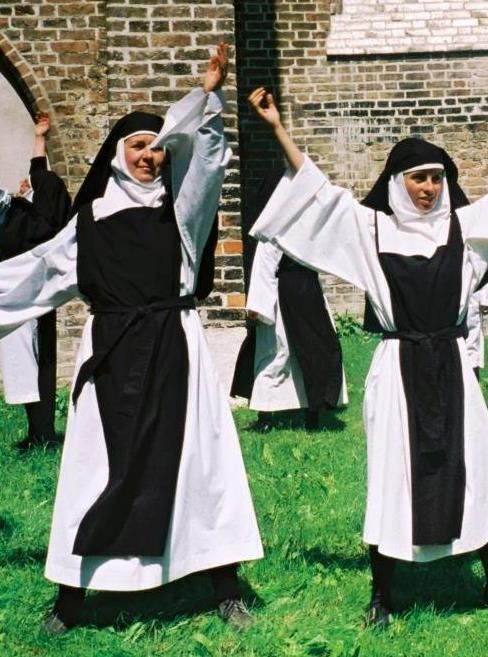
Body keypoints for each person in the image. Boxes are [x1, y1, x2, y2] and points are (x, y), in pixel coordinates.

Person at [246, 83, 488, 627]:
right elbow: (318, 192)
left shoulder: (464, 227)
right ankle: (382, 594)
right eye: (418, 178)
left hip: (452, 365)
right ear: (397, 182)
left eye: (437, 178)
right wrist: (277, 127)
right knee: (394, 475)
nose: (429, 188)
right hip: (397, 369)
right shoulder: (373, 230)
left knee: (475, 468)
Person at [0, 44, 263, 633]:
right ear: (118, 154)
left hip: (175, 347)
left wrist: (208, 99)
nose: (149, 157)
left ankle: (223, 586)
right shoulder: (89, 222)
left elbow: (209, 166)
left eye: (158, 147)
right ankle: (71, 599)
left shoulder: (182, 213)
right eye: (138, 146)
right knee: (95, 469)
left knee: (199, 466)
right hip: (112, 353)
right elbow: (33, 277)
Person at [233, 169, 348, 429]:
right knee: (279, 352)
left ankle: (314, 407)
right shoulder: (272, 231)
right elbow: (264, 269)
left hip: (308, 294)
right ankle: (267, 412)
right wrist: (260, 307)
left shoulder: (307, 227)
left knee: (314, 350)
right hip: (282, 298)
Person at [0, 112, 71, 449]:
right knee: (32, 365)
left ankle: (41, 432)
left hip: (22, 295)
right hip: (27, 294)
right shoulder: (35, 218)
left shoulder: (32, 222)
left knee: (31, 365)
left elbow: (42, 180)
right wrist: (40, 140)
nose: (25, 186)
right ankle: (40, 432)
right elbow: (41, 177)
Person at [465, 268, 488, 380]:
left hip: (470, 299)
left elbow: (483, 269)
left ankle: (472, 383)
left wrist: (487, 298)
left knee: (471, 343)